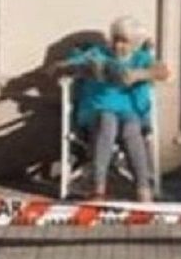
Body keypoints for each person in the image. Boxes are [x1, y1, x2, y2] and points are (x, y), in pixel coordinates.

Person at [49, 16, 169, 202]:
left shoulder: (141, 58)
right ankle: (98, 188)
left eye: (124, 41)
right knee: (108, 120)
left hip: (130, 113)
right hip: (96, 112)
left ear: (135, 43)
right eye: (116, 39)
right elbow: (60, 67)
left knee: (130, 127)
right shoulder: (98, 53)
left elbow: (163, 72)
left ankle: (143, 188)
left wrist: (139, 74)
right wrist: (81, 68)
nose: (118, 45)